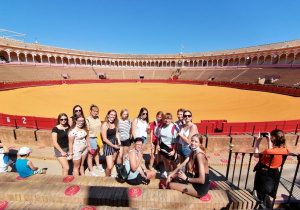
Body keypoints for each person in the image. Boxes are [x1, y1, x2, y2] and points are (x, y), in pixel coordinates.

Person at [253, 129, 289, 208]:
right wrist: (269, 141)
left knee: (261, 196)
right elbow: (272, 154)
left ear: (272, 138)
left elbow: (256, 155)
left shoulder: (268, 151)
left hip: (263, 174)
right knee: (266, 194)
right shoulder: (285, 150)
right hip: (274, 173)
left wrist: (257, 142)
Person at [156, 113, 179, 179]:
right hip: (163, 146)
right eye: (166, 118)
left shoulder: (173, 127)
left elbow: (175, 141)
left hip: (170, 147)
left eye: (169, 119)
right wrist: (158, 145)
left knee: (172, 161)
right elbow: (158, 137)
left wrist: (174, 151)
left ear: (171, 119)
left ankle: (175, 173)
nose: (167, 120)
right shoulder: (161, 126)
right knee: (165, 160)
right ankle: (166, 172)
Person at [86, 104, 105, 176]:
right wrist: (88, 144)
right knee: (91, 155)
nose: (95, 113)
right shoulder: (87, 120)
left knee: (97, 152)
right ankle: (91, 170)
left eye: (97, 111)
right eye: (94, 111)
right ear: (90, 111)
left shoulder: (97, 118)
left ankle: (97, 166)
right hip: (91, 138)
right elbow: (87, 132)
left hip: (98, 138)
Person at [101, 109, 121, 177]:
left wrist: (119, 142)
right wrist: (113, 145)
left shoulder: (115, 123)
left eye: (114, 115)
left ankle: (110, 174)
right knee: (109, 166)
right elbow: (104, 139)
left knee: (113, 160)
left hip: (115, 143)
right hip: (108, 145)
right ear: (108, 115)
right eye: (111, 114)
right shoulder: (105, 125)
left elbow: (117, 134)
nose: (113, 116)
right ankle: (106, 177)